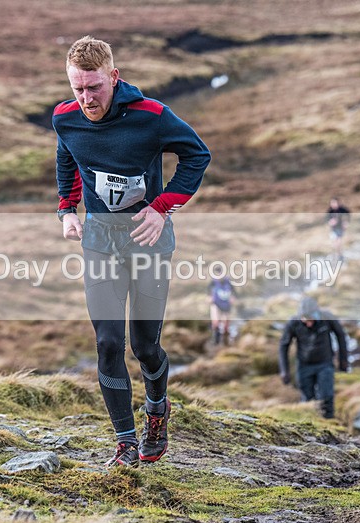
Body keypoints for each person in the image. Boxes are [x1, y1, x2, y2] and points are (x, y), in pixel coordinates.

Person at [53, 36, 210, 468]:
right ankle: (124, 444)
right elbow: (67, 156)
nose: (86, 99)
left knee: (145, 346)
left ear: (114, 77)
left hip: (147, 241)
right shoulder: (65, 118)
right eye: (78, 88)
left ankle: (157, 411)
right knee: (108, 343)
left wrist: (162, 208)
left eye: (94, 88)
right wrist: (67, 210)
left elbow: (197, 155)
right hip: (100, 241)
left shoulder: (151, 115)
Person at [278, 297, 349, 419]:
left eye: (311, 319)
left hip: (325, 363)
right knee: (307, 398)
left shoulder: (327, 318)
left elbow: (341, 336)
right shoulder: (293, 323)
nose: (308, 323)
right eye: (305, 319)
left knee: (326, 396)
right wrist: (284, 371)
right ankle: (310, 423)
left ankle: (328, 422)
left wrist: (343, 361)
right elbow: (283, 346)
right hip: (304, 365)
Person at [208, 274, 236, 345]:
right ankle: (215, 341)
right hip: (216, 304)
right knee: (215, 323)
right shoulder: (213, 282)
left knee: (226, 325)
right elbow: (208, 290)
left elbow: (234, 291)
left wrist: (233, 297)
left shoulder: (228, 281)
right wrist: (209, 297)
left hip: (226, 305)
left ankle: (225, 341)